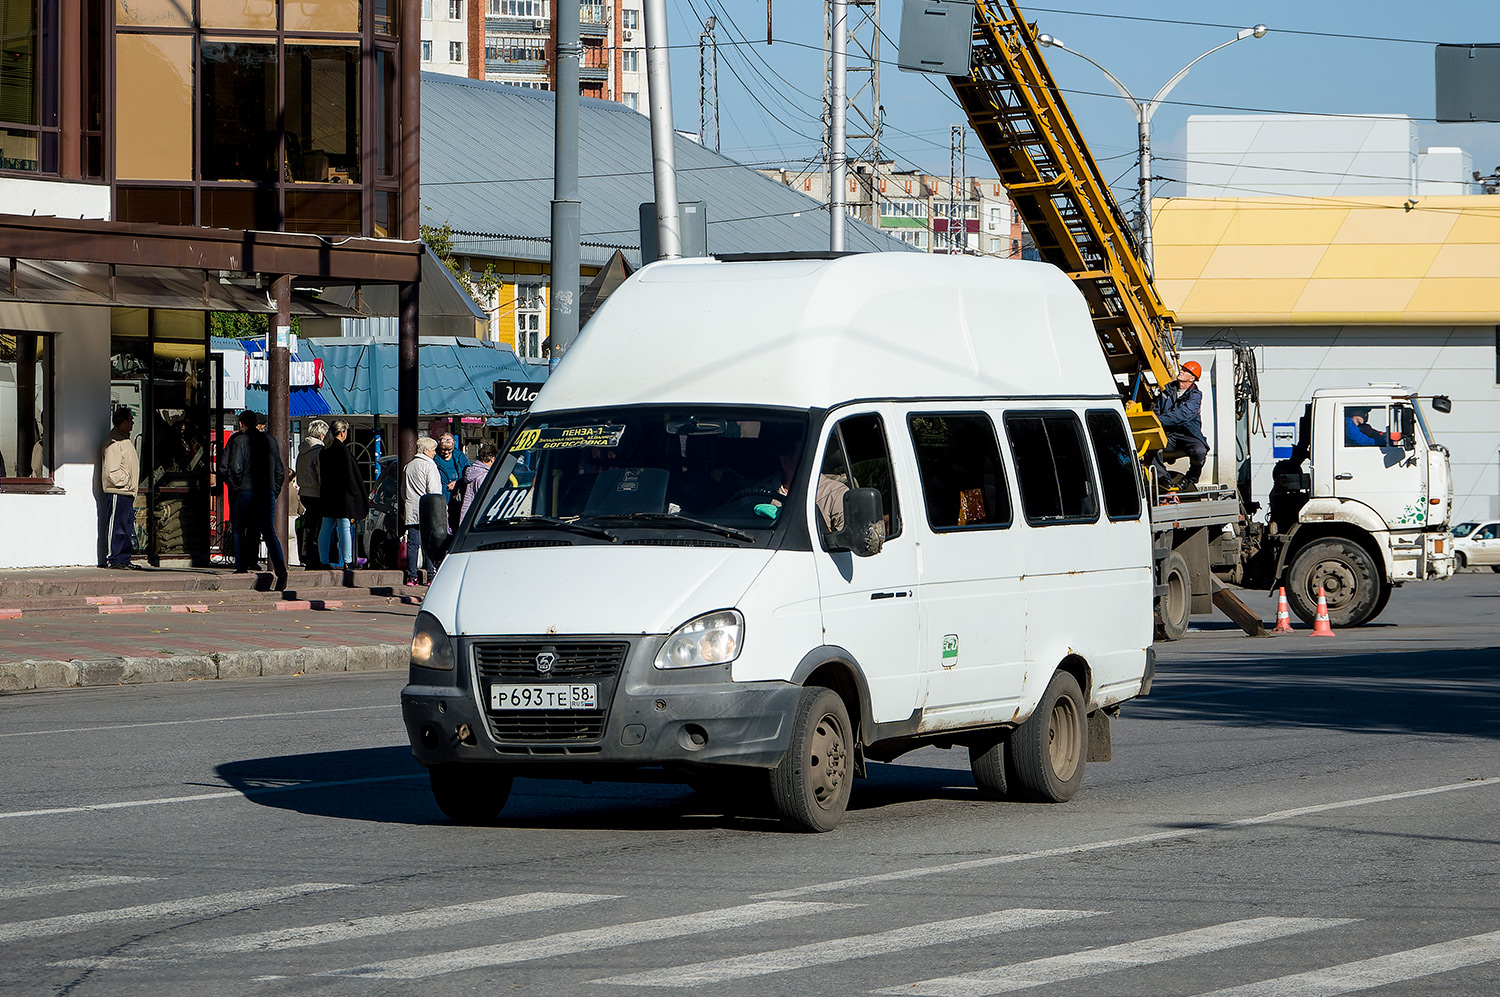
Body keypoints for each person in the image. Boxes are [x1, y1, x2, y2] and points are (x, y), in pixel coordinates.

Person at [221, 409, 288, 587]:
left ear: (242, 424)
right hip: (266, 491)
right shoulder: (270, 441)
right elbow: (280, 471)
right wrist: (274, 490)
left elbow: (235, 468)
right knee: (268, 532)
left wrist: (238, 486)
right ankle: (281, 569)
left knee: (238, 527)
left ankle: (241, 565)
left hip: (246, 490)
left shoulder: (240, 441)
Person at [318, 420, 368, 570]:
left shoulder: (325, 450)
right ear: (343, 432)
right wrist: (355, 494)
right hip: (343, 495)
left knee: (326, 527)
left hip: (328, 493)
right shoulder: (343, 450)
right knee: (344, 527)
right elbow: (350, 475)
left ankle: (324, 560)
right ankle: (347, 561)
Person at [1153, 360, 1209, 491]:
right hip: (1169, 434)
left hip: (1188, 435)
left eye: (1186, 371)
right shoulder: (1166, 391)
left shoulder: (1195, 396)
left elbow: (1182, 415)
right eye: (1182, 369)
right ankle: (1162, 477)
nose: (1181, 371)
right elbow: (1156, 410)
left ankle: (1191, 478)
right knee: (1154, 444)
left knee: (1200, 451)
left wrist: (1158, 420)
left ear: (1192, 378)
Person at [98, 406, 139, 569]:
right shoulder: (115, 441)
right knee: (117, 526)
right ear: (122, 422)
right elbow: (112, 471)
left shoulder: (123, 439)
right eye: (130, 420)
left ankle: (123, 558)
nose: (132, 423)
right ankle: (113, 558)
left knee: (126, 527)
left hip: (126, 491)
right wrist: (127, 481)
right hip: (118, 491)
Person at [402, 436, 445, 586]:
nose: (435, 453)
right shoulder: (430, 466)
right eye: (433, 450)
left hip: (411, 508)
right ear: (426, 450)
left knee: (413, 543)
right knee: (429, 543)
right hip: (428, 510)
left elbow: (403, 491)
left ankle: (411, 576)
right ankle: (431, 576)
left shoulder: (408, 466)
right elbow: (434, 491)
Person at [295, 420, 329, 568]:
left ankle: (308, 555)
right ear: (322, 435)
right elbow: (321, 474)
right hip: (316, 492)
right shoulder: (319, 451)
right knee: (318, 528)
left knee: (311, 525)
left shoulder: (302, 450)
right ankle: (315, 558)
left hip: (304, 492)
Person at [432, 433, 471, 530]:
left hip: (457, 494)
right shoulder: (435, 457)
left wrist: (457, 482)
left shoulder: (459, 456)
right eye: (443, 450)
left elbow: (468, 473)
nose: (446, 453)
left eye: (449, 450)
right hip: (442, 493)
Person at [458, 442, 496, 524]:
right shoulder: (484, 476)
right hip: (478, 520)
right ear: (492, 459)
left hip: (467, 517)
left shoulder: (474, 472)